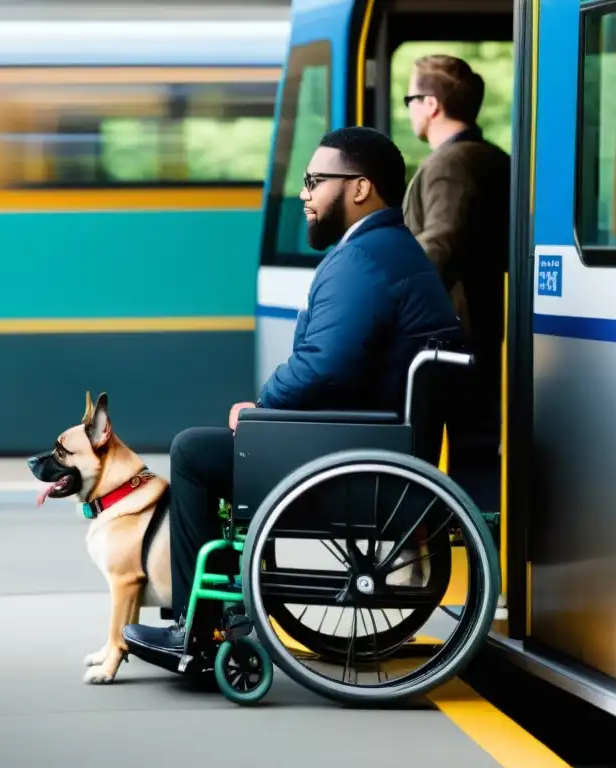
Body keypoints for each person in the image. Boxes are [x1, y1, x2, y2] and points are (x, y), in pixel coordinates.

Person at [121, 126, 463, 664]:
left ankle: (199, 631)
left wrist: (264, 407)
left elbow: (325, 365)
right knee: (213, 445)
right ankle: (206, 619)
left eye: (314, 181)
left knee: (191, 452)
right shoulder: (390, 249)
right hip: (378, 442)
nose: (304, 194)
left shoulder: (363, 260)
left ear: (359, 188)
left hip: (356, 456)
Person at [401, 54, 510, 436]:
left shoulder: (450, 164)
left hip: (455, 337)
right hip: (483, 330)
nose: (409, 109)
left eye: (410, 99)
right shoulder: (493, 157)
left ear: (431, 105)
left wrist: (395, 300)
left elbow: (439, 245)